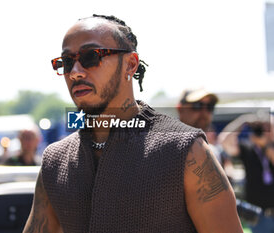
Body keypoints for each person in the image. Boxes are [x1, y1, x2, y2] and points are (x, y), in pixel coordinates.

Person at [23, 14, 242, 233]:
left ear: (130, 64)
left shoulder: (186, 150)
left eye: (91, 57)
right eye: (68, 61)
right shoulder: (55, 160)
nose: (75, 73)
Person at [220, 114, 274, 233]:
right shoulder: (247, 148)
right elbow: (224, 141)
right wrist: (243, 121)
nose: (264, 131)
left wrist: (267, 145)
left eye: (268, 127)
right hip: (259, 215)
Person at [177, 89, 232, 170]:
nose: (204, 112)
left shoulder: (213, 152)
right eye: (197, 105)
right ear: (180, 108)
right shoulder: (166, 147)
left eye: (210, 106)